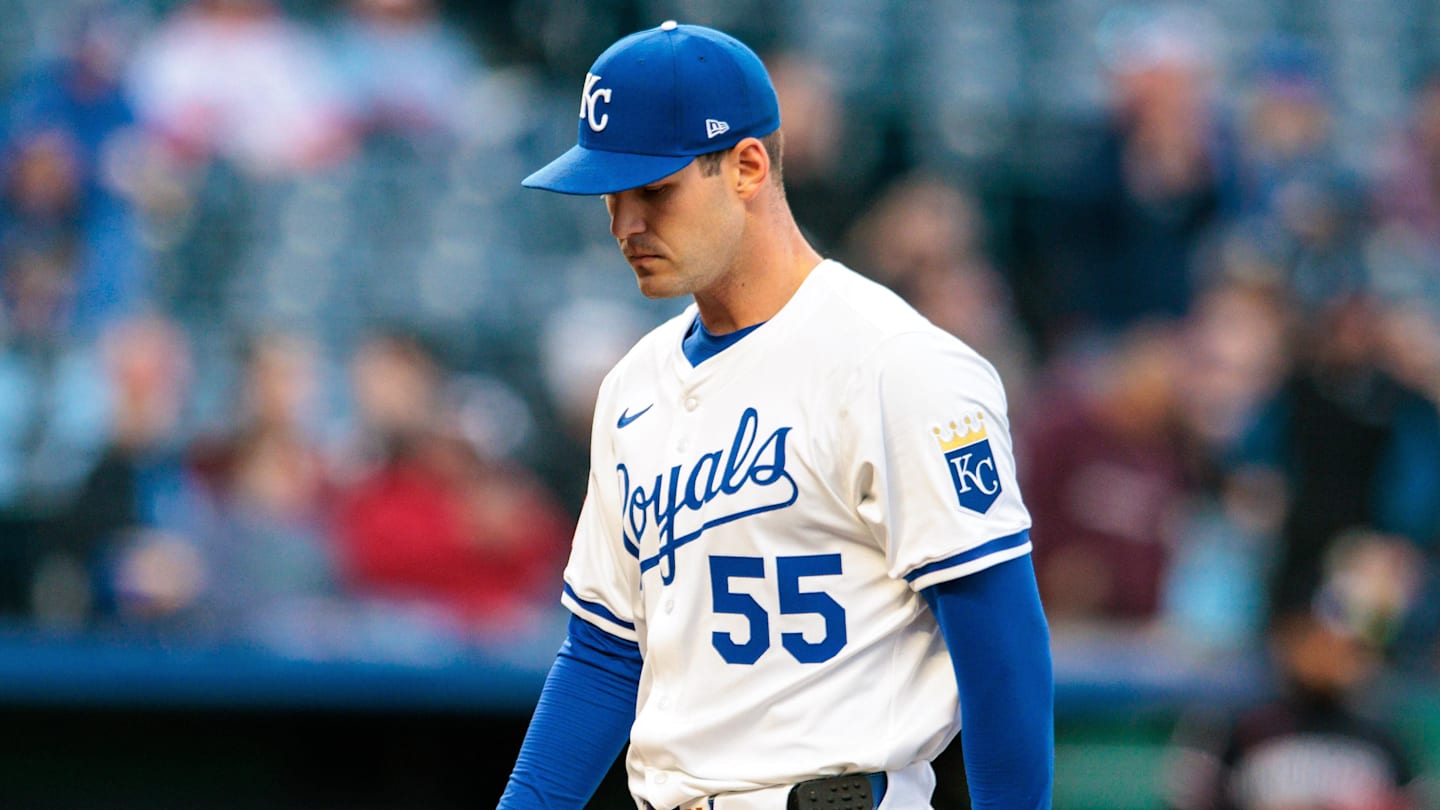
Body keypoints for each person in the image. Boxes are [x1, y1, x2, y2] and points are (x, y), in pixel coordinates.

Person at [497, 21, 1053, 810]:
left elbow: (1002, 647)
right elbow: (604, 654)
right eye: (609, 192)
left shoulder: (896, 364)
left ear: (748, 166)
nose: (624, 223)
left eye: (654, 188)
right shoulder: (631, 387)